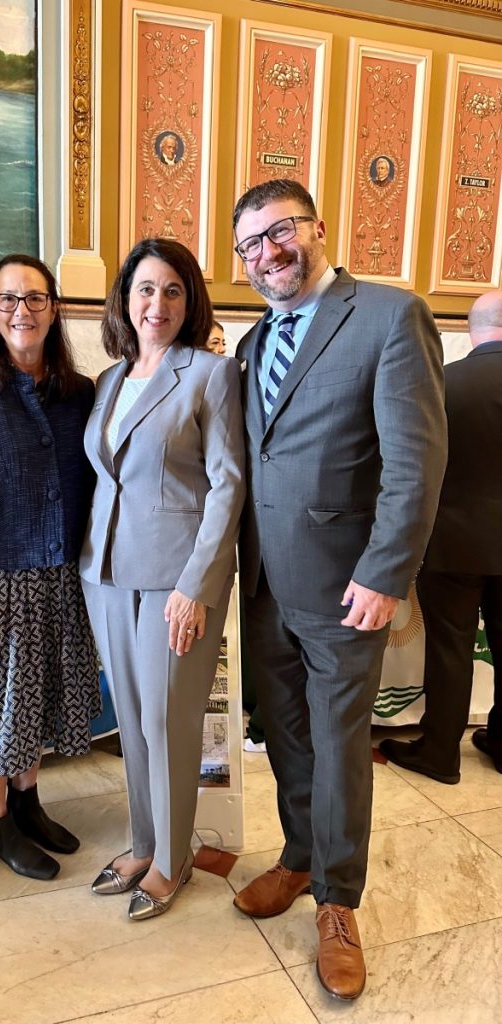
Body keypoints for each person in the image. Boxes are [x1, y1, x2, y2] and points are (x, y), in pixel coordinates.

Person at [231, 179, 446, 1000]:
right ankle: (299, 855)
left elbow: (415, 463)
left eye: (280, 231)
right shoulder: (253, 340)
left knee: (340, 743)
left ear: (317, 227)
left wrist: (386, 573)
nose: (268, 253)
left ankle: (338, 901)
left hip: (346, 588)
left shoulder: (390, 316)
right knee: (286, 734)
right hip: (264, 584)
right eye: (251, 245)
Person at [80, 237, 245, 921]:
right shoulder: (110, 380)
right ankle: (145, 843)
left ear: (190, 301)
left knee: (169, 722)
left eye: (173, 290)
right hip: (105, 573)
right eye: (145, 289)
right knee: (132, 720)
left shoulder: (210, 374)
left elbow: (228, 485)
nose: (158, 303)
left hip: (176, 581)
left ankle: (173, 861)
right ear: (125, 299)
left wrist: (197, 586)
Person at [0, 254, 100, 881]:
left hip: (63, 574)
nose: (21, 311)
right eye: (7, 299)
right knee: (1, 707)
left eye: (34, 298)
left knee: (40, 701)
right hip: (0, 579)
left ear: (54, 308)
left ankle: (30, 804)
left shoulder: (79, 393)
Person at [380, 290, 502, 783]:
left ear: (472, 331)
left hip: (452, 543)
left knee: (450, 651)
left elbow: (411, 463)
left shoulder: (442, 385)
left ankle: (440, 753)